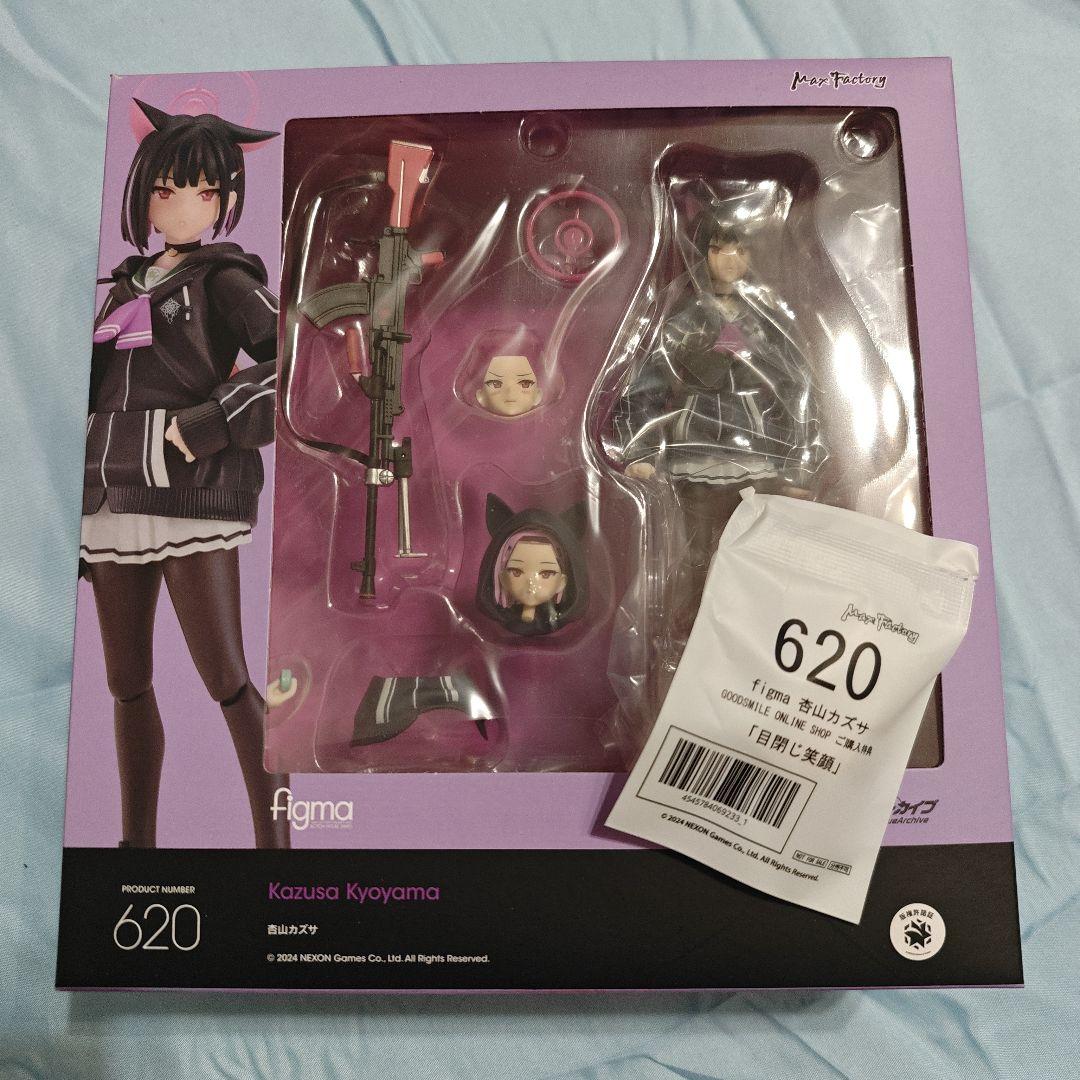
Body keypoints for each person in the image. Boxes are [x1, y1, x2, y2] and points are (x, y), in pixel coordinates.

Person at [80, 98, 288, 848]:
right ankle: (134, 849)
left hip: (190, 497)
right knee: (126, 684)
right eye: (166, 189)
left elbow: (296, 361)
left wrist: (204, 427)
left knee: (227, 681)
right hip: (110, 496)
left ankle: (277, 857)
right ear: (143, 193)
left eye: (203, 191)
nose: (182, 206)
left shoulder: (224, 279)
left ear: (225, 199)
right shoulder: (117, 291)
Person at [612, 202, 827, 617]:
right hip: (696, 442)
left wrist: (800, 463)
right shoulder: (683, 317)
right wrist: (640, 448)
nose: (731, 260)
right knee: (694, 545)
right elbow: (649, 382)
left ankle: (747, 617)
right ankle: (693, 617)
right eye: (718, 249)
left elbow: (796, 388)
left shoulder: (767, 318)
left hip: (756, 444)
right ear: (701, 254)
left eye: (740, 250)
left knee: (753, 543)